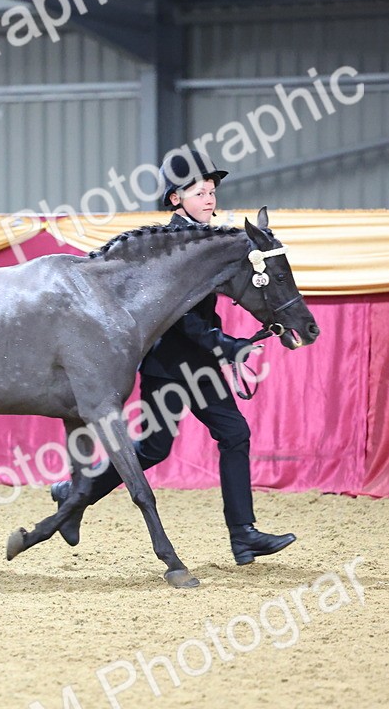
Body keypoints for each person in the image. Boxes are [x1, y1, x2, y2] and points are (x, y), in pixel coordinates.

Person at [51, 151, 297, 566]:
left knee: (234, 434)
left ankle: (243, 536)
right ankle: (76, 492)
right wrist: (227, 346)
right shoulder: (168, 247)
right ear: (175, 200)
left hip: (201, 364)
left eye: (212, 192)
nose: (209, 199)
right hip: (169, 364)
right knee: (153, 449)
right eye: (199, 192)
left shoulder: (210, 239)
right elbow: (181, 318)